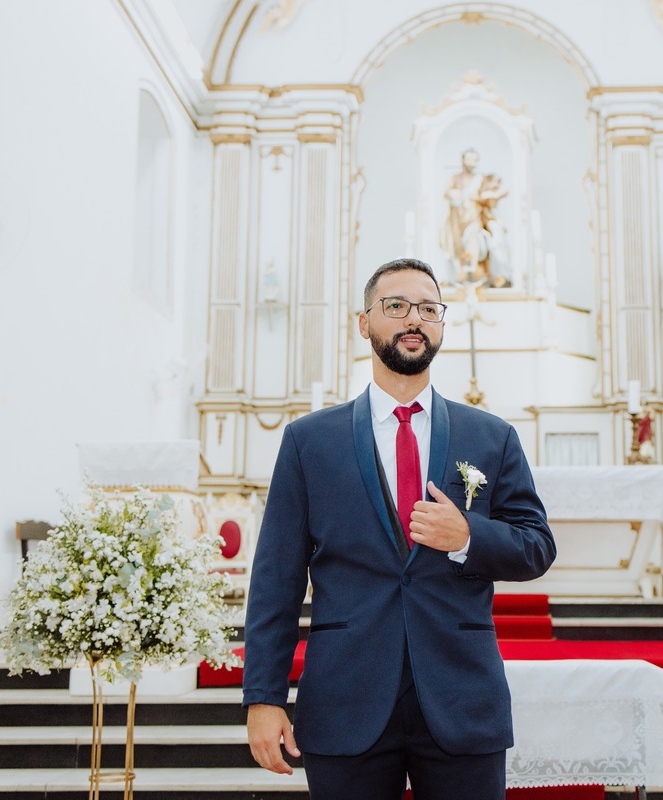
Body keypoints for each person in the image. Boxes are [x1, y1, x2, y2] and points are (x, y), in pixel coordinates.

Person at [243, 257, 556, 800]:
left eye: (428, 308)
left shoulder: (492, 436)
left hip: (461, 697)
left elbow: (537, 546)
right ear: (364, 322)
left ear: (441, 324)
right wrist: (263, 697)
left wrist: (468, 538)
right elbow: (276, 579)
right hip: (347, 697)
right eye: (395, 307)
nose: (413, 319)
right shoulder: (310, 442)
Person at [439, 150, 511, 287]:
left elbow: (488, 194)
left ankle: (472, 269)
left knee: (474, 237)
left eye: (474, 160)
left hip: (474, 216)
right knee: (458, 245)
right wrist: (458, 194)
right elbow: (447, 193)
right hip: (457, 219)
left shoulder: (480, 179)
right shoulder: (456, 178)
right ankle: (462, 272)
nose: (472, 163)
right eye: (469, 159)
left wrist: (494, 194)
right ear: (463, 160)